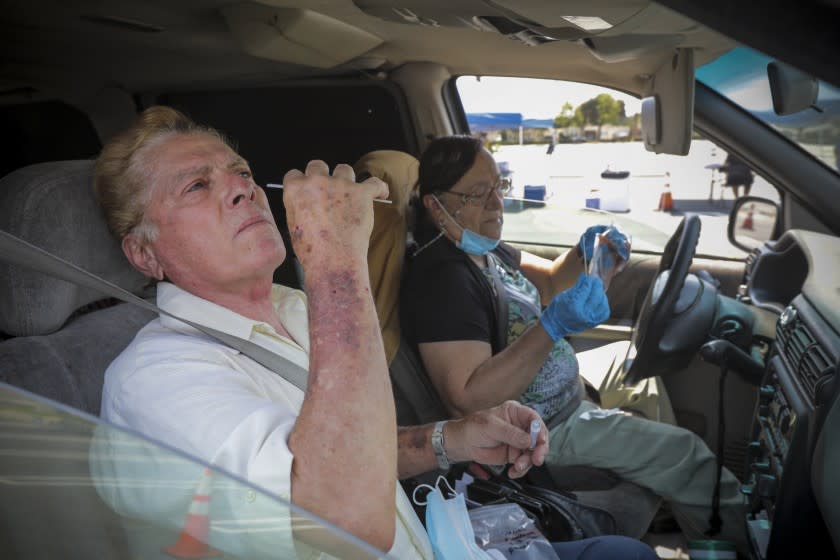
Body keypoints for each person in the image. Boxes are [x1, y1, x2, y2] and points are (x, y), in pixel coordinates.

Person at [94, 107, 656, 559]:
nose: (242, 189)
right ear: (145, 254)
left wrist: (451, 439)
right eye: (196, 185)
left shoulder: (291, 311)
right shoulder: (154, 381)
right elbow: (342, 515)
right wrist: (336, 259)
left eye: (240, 172)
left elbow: (345, 450)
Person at [401, 134, 749, 554]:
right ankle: (733, 544)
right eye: (478, 193)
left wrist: (587, 254)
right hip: (545, 422)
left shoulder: (482, 248)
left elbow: (547, 280)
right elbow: (467, 400)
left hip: (562, 388)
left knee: (637, 367)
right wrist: (551, 326)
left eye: (499, 186)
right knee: (688, 455)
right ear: (436, 205)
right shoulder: (444, 279)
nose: (497, 203)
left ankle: (666, 500)